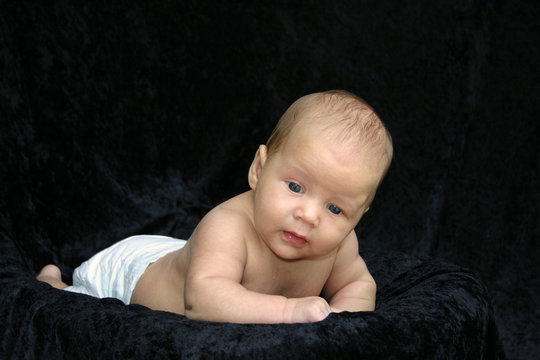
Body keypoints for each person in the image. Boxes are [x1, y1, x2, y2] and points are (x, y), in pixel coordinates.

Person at [37, 90, 393, 324]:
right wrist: (289, 311)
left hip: (193, 258)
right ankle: (53, 282)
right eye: (296, 187)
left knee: (200, 259)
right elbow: (203, 300)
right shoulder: (228, 226)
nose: (310, 215)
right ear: (258, 168)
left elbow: (359, 284)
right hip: (134, 274)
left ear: (358, 216)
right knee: (77, 307)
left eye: (336, 210)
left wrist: (341, 323)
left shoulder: (339, 244)